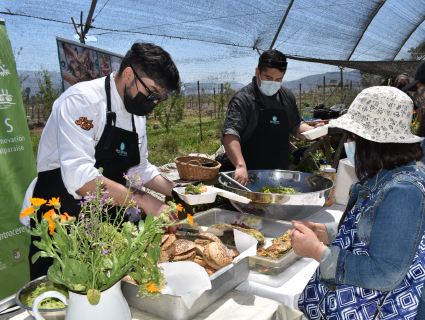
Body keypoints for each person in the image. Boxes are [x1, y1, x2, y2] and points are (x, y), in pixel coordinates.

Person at [25, 42, 181, 280]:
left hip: (104, 211)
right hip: (61, 212)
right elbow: (80, 178)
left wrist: (179, 193)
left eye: (160, 97)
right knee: (61, 290)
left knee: (104, 283)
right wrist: (143, 199)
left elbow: (138, 167)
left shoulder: (135, 113)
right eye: (151, 92)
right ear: (128, 74)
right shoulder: (82, 101)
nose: (154, 102)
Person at [291, 86, 425, 318]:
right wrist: (325, 232)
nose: (350, 142)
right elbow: (373, 230)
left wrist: (317, 251)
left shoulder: (404, 190)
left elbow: (385, 273)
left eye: (354, 136)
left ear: (374, 140)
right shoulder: (386, 173)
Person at [216, 49, 319, 186]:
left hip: (279, 175)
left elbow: (296, 126)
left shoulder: (286, 96)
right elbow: (230, 135)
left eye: (278, 79)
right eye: (268, 78)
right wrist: (240, 166)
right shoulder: (244, 99)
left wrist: (314, 131)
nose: (273, 83)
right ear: (257, 72)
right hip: (248, 176)